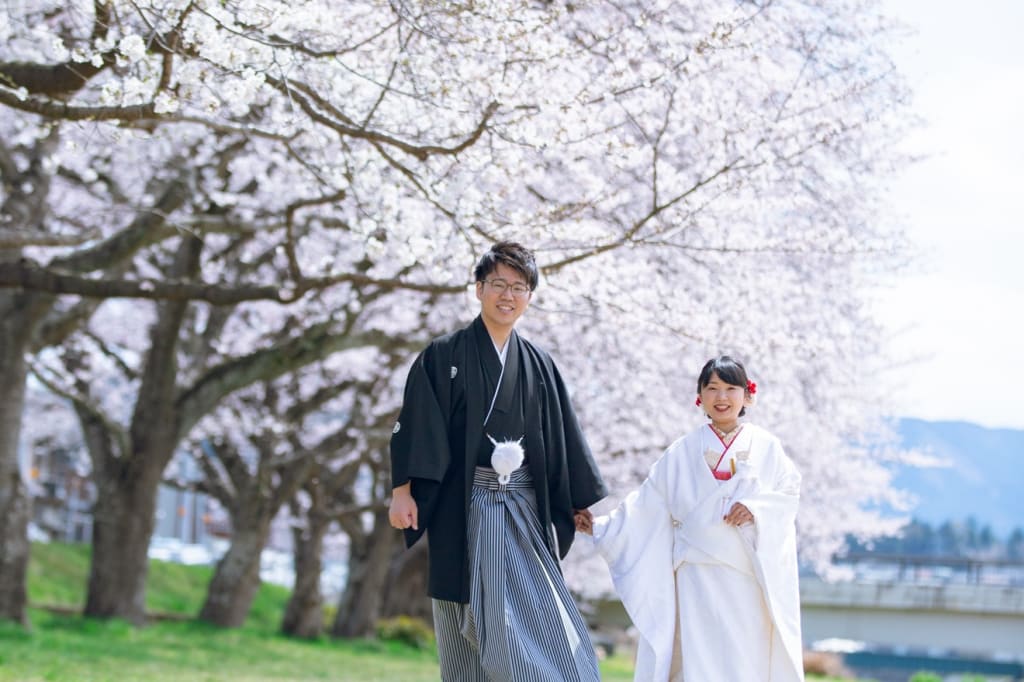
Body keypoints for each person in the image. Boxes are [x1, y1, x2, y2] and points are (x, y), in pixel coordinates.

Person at [388, 241, 607, 682]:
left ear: (529, 297)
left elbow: (563, 437)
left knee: (538, 608)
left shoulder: (539, 364)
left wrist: (576, 501)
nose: (508, 296)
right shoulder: (443, 355)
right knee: (459, 603)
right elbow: (417, 424)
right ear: (478, 289)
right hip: (463, 504)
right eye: (498, 285)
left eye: (519, 287)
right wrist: (402, 491)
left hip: (522, 509)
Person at [575, 355, 804, 682]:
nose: (721, 397)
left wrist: (756, 507)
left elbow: (787, 494)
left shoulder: (768, 448)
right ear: (700, 396)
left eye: (730, 388)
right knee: (700, 661)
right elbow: (647, 504)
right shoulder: (681, 451)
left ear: (747, 396)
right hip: (696, 578)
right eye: (712, 388)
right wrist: (599, 526)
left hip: (746, 577)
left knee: (745, 660)